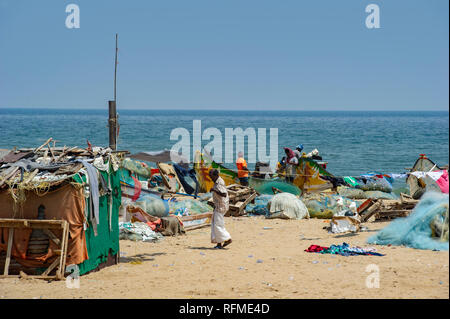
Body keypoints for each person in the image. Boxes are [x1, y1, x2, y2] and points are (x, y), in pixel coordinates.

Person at [209, 169, 232, 249]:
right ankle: (219, 243)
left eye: (211, 176)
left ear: (215, 175)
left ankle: (227, 239)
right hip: (218, 205)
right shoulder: (217, 181)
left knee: (217, 225)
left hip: (221, 206)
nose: (210, 178)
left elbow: (224, 194)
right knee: (215, 224)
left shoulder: (219, 183)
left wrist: (214, 190)